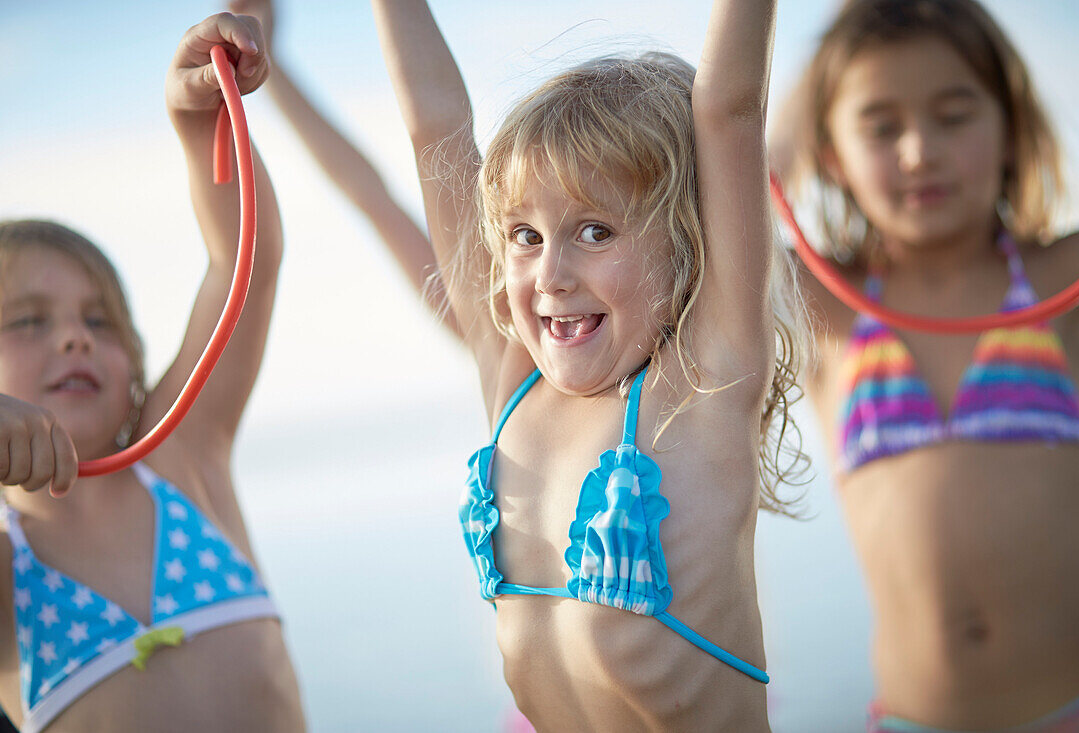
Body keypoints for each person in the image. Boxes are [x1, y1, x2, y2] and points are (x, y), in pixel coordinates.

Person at [373, 0, 804, 729]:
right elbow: (434, 127)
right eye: (525, 235)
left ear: (689, 238)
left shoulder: (705, 384)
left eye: (595, 230)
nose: (551, 273)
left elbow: (730, 106)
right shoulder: (512, 381)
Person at [773, 0, 1079, 729]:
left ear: (1012, 129)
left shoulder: (1069, 278)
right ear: (830, 154)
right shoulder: (825, 305)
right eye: (880, 127)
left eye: (954, 116)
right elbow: (723, 211)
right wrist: (822, 69)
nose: (919, 150)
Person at [0, 14, 306, 733]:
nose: (75, 337)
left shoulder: (183, 460)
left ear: (134, 362)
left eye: (99, 320)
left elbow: (246, 265)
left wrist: (200, 121)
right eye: (27, 320)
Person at [225, 0, 454, 332]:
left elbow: (437, 132)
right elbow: (374, 193)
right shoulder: (499, 332)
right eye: (529, 237)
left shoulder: (500, 341)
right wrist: (267, 66)